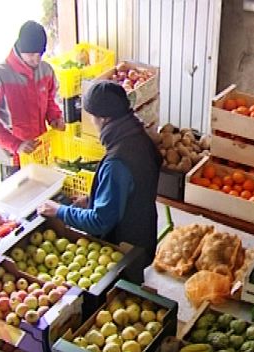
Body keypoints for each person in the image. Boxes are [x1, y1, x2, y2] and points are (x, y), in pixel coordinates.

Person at [38, 80, 161, 271]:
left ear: (103, 119)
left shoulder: (117, 162)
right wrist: (94, 199)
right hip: (145, 232)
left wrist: (59, 211)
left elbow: (99, 222)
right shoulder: (140, 138)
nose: (92, 123)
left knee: (126, 285)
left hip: (124, 249)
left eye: (92, 117)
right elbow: (134, 188)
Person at [0, 20, 65, 181]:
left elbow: (50, 99)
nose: (36, 60)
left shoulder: (46, 70)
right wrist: (16, 145)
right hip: (12, 157)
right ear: (20, 49)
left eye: (40, 54)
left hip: (40, 150)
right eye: (31, 55)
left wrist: (54, 117)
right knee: (19, 195)